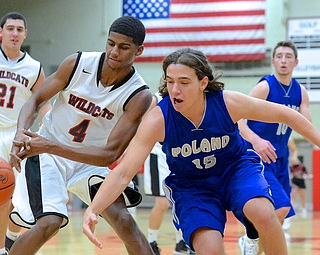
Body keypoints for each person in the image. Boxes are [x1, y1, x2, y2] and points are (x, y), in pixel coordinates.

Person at [82, 47, 320, 254]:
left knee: (264, 213)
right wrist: (93, 209)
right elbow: (124, 172)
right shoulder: (158, 119)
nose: (175, 89)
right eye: (170, 81)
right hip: (192, 185)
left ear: (203, 82)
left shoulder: (227, 102)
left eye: (184, 82)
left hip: (235, 170)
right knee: (210, 249)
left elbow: (287, 114)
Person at [8, 16, 154, 255]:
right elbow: (35, 100)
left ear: (139, 50)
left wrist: (49, 146)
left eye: (124, 47)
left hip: (88, 161)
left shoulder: (138, 95)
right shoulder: (77, 63)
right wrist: (21, 133)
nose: (114, 51)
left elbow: (109, 155)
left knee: (124, 220)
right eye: (111, 43)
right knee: (49, 223)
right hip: (47, 156)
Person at [237, 40, 312, 254]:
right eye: (279, 56)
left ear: (296, 62)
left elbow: (308, 126)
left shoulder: (300, 92)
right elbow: (237, 120)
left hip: (280, 158)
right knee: (280, 208)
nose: (283, 60)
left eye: (288, 56)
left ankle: (250, 245)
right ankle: (250, 242)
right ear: (273, 61)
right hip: (258, 158)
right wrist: (256, 140)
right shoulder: (265, 87)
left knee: (276, 219)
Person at [0, 12, 50, 255]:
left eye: (19, 29)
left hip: (16, 137)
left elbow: (43, 102)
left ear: (25, 34)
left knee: (11, 197)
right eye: (10, 28)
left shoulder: (34, 67)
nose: (14, 33)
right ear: (1, 32)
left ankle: (9, 240)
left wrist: (46, 127)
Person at [144, 93, 195, 255]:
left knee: (182, 201)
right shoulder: (156, 99)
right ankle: (151, 242)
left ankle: (181, 241)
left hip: (180, 154)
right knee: (162, 203)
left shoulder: (191, 99)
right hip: (158, 154)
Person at [288, 138, 312, 219]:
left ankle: (304, 209)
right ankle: (291, 210)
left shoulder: (302, 167)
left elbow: (307, 174)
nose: (293, 160)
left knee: (302, 196)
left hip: (301, 182)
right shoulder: (291, 168)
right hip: (295, 182)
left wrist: (308, 176)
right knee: (293, 196)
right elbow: (290, 174)